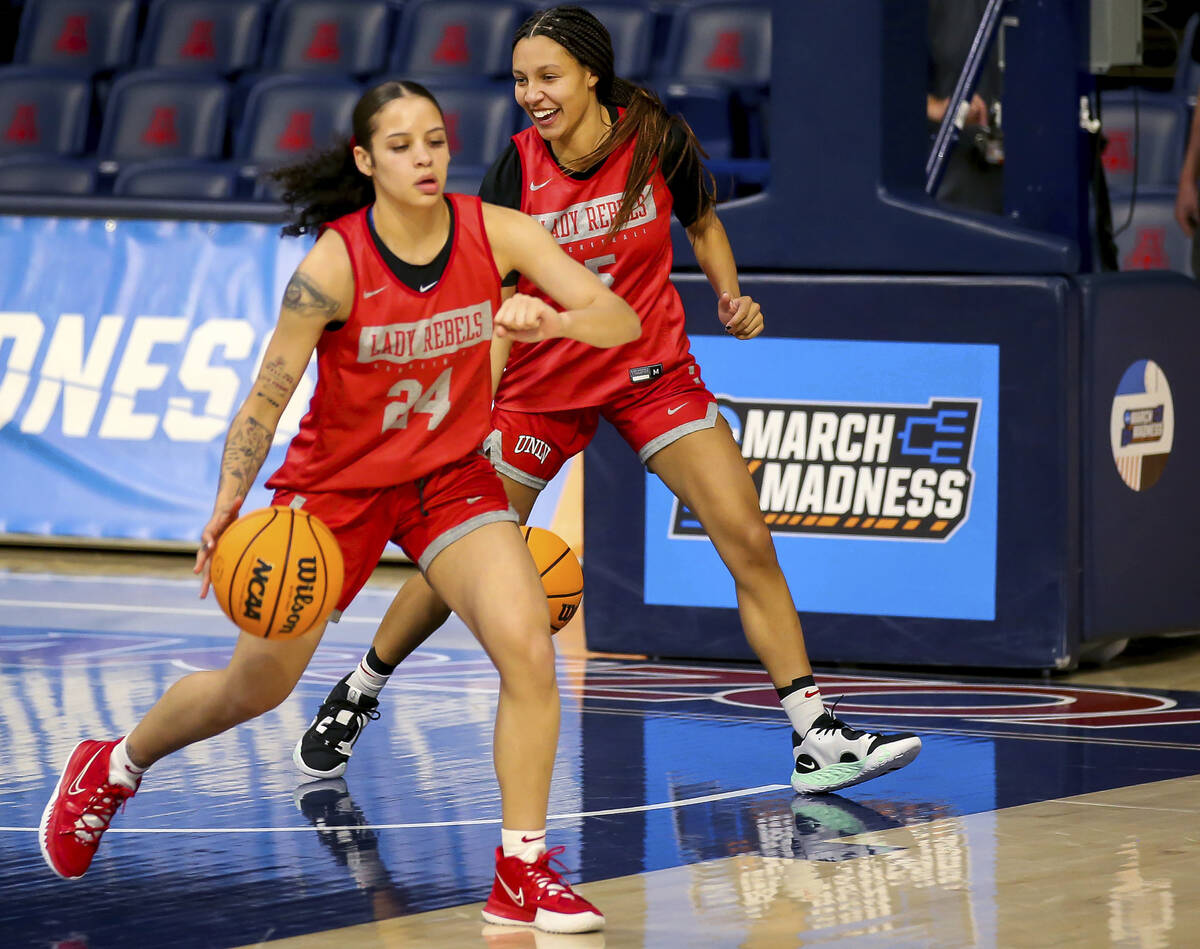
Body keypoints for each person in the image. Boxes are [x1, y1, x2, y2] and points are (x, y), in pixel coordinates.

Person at [39, 79, 641, 935]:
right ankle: (114, 764)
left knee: (528, 648)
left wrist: (549, 319)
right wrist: (226, 506)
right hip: (335, 495)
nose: (425, 157)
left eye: (435, 139)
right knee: (252, 687)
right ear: (366, 161)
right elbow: (266, 398)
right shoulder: (333, 265)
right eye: (401, 146)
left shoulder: (495, 230)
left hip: (447, 480)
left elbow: (619, 319)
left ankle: (522, 871)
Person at [296, 6, 922, 798]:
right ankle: (359, 689)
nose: (532, 94)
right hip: (537, 389)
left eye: (548, 77)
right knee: (464, 557)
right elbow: (492, 299)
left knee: (748, 539)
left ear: (593, 73)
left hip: (648, 370)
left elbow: (702, 221)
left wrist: (731, 297)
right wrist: (469, 411)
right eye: (521, 80)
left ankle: (818, 736)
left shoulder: (654, 140)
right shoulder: (515, 170)